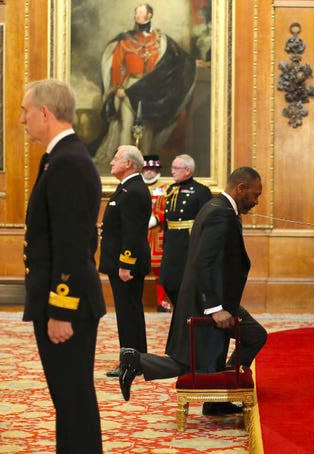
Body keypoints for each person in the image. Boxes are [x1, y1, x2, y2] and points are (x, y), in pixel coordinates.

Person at [118, 167, 268, 416]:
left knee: (207, 355)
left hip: (213, 298)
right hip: (208, 300)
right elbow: (204, 261)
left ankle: (218, 396)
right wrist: (215, 308)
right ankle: (136, 361)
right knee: (192, 360)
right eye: (255, 194)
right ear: (240, 189)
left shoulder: (220, 208)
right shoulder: (220, 213)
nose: (256, 201)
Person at [21, 79, 105, 452]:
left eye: (26, 111)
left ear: (44, 113)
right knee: (69, 401)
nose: (22, 119)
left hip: (66, 306)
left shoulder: (68, 161)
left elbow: (72, 244)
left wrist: (61, 309)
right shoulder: (60, 157)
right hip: (63, 298)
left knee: (73, 400)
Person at [93, 3, 196, 172]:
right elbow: (117, 65)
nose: (136, 17)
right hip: (129, 87)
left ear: (148, 16)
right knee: (127, 125)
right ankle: (124, 167)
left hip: (150, 90)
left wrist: (193, 63)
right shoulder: (125, 40)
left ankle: (145, 167)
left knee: (147, 127)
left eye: (140, 14)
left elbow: (176, 59)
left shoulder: (160, 40)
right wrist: (118, 87)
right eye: (136, 14)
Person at [100, 145, 152, 377]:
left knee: (128, 313)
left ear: (129, 164)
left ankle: (131, 362)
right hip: (122, 263)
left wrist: (125, 264)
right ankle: (137, 359)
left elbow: (132, 232)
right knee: (129, 311)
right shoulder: (128, 188)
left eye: (116, 158)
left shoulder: (134, 191)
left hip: (125, 266)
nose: (111, 161)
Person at [158, 154, 212, 306]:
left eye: (176, 168)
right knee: (169, 282)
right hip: (172, 243)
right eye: (172, 168)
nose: (172, 171)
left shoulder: (201, 191)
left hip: (188, 242)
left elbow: (205, 221)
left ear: (187, 171)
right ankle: (179, 309)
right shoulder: (170, 189)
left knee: (187, 283)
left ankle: (187, 314)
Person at [142, 154, 171, 312]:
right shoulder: (137, 185)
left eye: (152, 169)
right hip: (139, 233)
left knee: (160, 270)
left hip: (158, 233)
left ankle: (161, 302)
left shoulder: (166, 188)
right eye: (146, 169)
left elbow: (168, 209)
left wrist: (157, 218)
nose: (149, 173)